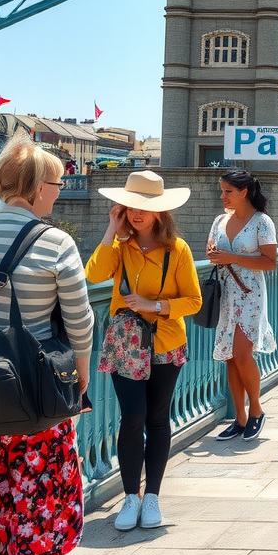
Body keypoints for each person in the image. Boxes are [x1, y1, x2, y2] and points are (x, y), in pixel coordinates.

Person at [85, 170, 201, 532]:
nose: (137, 213)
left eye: (145, 207)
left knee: (157, 418)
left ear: (160, 213)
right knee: (132, 417)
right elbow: (94, 275)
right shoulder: (120, 247)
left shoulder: (177, 249)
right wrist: (110, 229)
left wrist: (157, 306)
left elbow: (194, 301)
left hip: (165, 340)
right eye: (131, 206)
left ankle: (152, 495)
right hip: (126, 343)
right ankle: (130, 496)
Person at [0, 131, 92, 555]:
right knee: (37, 499)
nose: (58, 193)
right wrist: (82, 375)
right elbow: (79, 320)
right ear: (38, 190)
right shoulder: (54, 242)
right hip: (32, 392)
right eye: (57, 185)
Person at [207, 168, 278, 443]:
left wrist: (230, 257)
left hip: (250, 293)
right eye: (221, 191)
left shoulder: (262, 222)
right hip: (226, 293)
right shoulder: (219, 221)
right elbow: (213, 252)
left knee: (242, 354)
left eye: (228, 192)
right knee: (228, 356)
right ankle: (239, 418)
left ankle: (257, 410)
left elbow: (270, 262)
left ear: (244, 192)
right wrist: (215, 255)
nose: (222, 196)